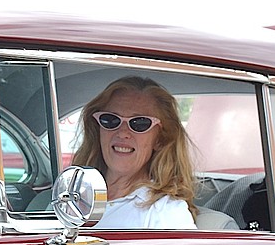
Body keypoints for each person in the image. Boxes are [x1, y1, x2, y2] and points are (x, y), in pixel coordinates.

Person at [72, 75, 197, 229]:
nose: (122, 132)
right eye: (110, 120)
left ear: (160, 140)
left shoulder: (165, 212)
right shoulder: (71, 195)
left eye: (140, 123)